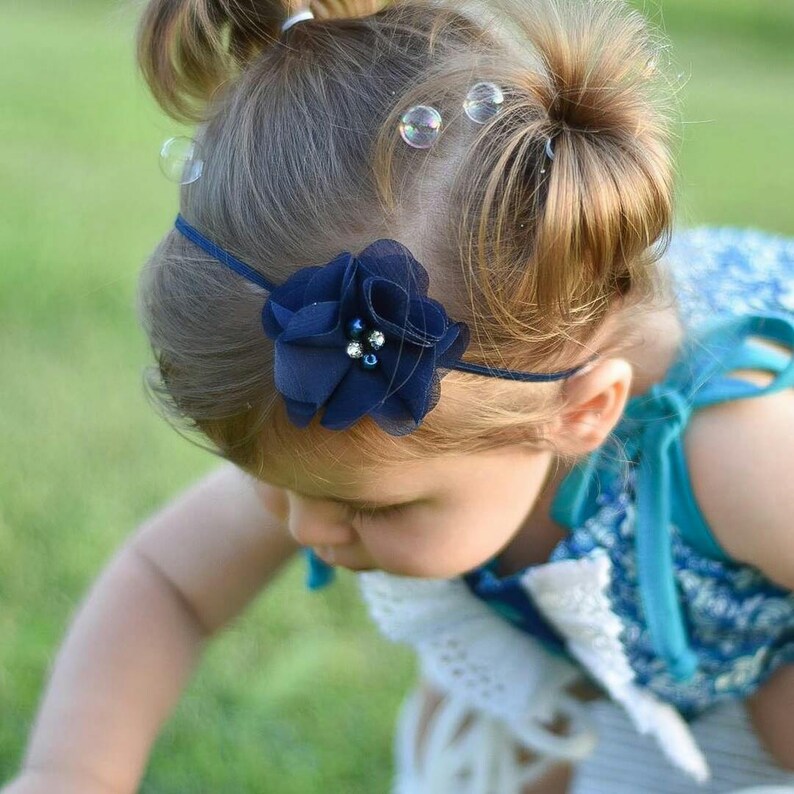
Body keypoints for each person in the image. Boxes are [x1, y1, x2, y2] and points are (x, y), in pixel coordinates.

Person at [2, 0, 793, 792]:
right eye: (284, 486)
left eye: (374, 509)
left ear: (582, 412)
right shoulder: (346, 465)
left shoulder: (744, 456)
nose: (307, 527)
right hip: (588, 633)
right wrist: (70, 773)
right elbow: (165, 583)